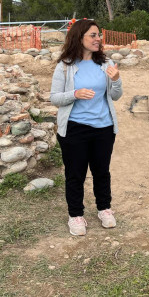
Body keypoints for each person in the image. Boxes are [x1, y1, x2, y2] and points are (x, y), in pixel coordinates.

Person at [50, 19, 123, 236]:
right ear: (79, 37)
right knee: (75, 174)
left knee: (102, 172)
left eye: (98, 35)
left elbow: (116, 96)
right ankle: (75, 215)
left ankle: (104, 209)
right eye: (92, 35)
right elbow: (54, 98)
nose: (98, 39)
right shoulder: (65, 66)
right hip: (75, 129)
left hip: (104, 128)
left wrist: (117, 80)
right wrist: (75, 94)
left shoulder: (106, 64)